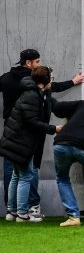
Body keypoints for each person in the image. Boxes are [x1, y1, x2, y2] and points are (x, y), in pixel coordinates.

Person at [1, 49, 83, 214]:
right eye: (37, 62)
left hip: (10, 129)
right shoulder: (33, 81)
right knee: (29, 171)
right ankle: (30, 207)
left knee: (13, 171)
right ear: (29, 63)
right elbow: (51, 87)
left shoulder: (5, 79)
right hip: (30, 131)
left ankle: (12, 209)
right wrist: (73, 82)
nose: (39, 65)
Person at [0, 66, 62, 222]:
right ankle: (22, 214)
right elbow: (32, 122)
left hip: (15, 140)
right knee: (26, 176)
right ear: (44, 81)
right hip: (21, 142)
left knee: (16, 175)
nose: (52, 81)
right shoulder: (33, 96)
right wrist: (54, 128)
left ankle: (11, 212)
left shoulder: (32, 93)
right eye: (51, 78)